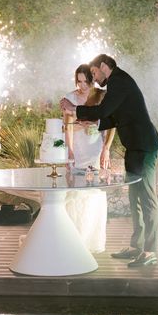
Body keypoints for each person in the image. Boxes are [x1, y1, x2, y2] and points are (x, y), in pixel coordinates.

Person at [60, 54, 158, 267]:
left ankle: (150, 251)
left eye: (95, 73)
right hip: (134, 147)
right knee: (135, 197)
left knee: (148, 199)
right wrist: (95, 124)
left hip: (144, 147)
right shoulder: (118, 82)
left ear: (104, 66)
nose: (94, 79)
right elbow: (114, 117)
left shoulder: (119, 80)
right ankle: (137, 246)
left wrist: (74, 109)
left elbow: (104, 110)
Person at [62, 64, 116, 253]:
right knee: (74, 192)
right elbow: (67, 127)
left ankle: (90, 240)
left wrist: (106, 149)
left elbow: (111, 125)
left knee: (93, 193)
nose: (82, 85)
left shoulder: (101, 97)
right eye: (79, 81)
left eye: (86, 81)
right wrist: (69, 151)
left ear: (93, 80)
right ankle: (73, 240)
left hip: (95, 148)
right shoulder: (69, 98)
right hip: (77, 147)